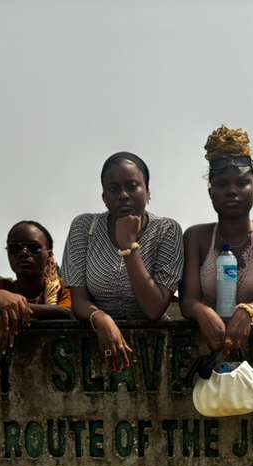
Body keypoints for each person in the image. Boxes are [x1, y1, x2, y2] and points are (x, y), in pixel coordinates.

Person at [62, 152, 184, 371]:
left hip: (154, 350)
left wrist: (128, 245)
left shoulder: (167, 230)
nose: (123, 195)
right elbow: (78, 300)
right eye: (114, 189)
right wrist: (100, 318)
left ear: (147, 192)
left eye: (132, 186)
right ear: (104, 197)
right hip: (97, 339)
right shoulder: (84, 227)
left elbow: (154, 308)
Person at [180, 126, 253, 351]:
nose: (232, 191)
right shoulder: (196, 237)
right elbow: (188, 300)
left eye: (241, 183)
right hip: (209, 349)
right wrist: (203, 312)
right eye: (221, 184)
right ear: (210, 192)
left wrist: (249, 311)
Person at [0, 220, 71, 353]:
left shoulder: (63, 288)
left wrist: (9, 312)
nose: (24, 253)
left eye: (33, 248)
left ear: (49, 255)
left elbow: (66, 312)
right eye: (15, 249)